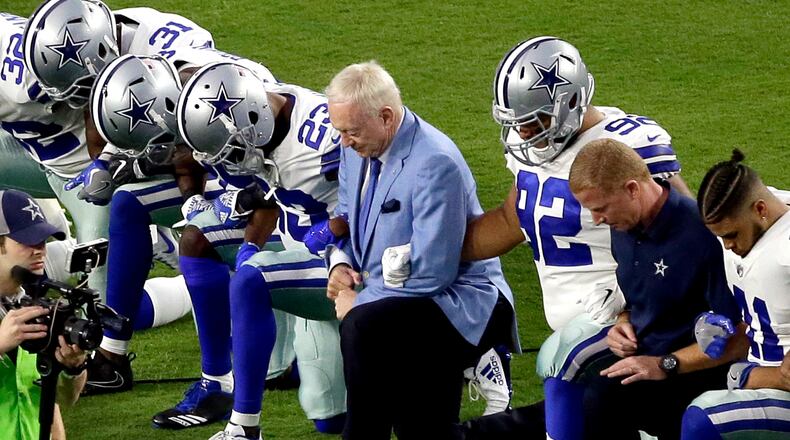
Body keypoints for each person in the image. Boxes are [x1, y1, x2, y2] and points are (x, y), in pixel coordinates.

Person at [460, 36, 692, 439]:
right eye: (518, 122)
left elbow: (686, 233)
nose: (525, 133)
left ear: (569, 103)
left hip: (629, 328)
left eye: (535, 120)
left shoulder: (625, 146)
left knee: (560, 366)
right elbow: (511, 220)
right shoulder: (530, 152)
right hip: (582, 331)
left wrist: (628, 301)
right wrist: (431, 252)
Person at [324, 61, 516, 440]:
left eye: (351, 131)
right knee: (424, 428)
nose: (344, 141)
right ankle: (539, 425)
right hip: (400, 299)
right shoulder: (354, 146)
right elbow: (344, 215)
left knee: (364, 330)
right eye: (340, 130)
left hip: (460, 302)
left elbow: (433, 272)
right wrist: (340, 263)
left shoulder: (434, 162)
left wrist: (358, 303)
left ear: (386, 116)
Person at [173, 60, 350, 439]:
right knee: (330, 419)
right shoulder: (262, 116)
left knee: (251, 281)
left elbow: (385, 190)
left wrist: (335, 229)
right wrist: (251, 243)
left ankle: (243, 427)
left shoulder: (325, 139)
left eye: (234, 151)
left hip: (354, 262)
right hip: (307, 252)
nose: (231, 164)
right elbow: (272, 190)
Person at [567, 138, 747, 439]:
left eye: (600, 209)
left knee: (600, 400)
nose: (597, 220)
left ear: (633, 189)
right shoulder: (622, 226)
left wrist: (666, 364)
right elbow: (638, 296)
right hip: (644, 359)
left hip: (695, 372)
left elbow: (740, 335)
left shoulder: (702, 236)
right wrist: (623, 323)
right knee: (592, 397)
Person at [679, 150, 790, 439]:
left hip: (778, 387)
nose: (727, 246)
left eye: (730, 235)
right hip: (753, 375)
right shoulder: (756, 210)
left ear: (761, 210)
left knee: (703, 419)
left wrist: (762, 376)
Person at [0, 189, 86, 439]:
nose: (41, 249)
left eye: (43, 240)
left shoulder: (36, 307)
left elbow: (64, 400)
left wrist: (73, 368)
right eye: (27, 240)